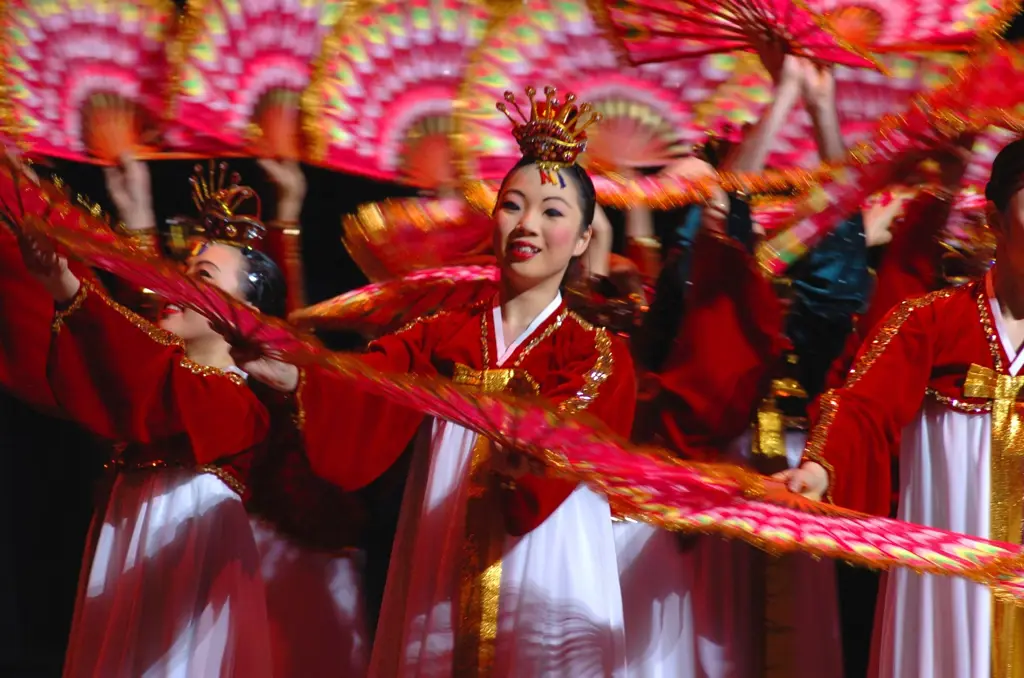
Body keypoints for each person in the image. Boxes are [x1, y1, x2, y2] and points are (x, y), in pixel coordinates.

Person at [240, 85, 638, 676]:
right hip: (442, 543)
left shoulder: (595, 349)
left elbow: (577, 425)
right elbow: (367, 379)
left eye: (553, 212)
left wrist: (538, 456)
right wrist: (299, 376)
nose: (527, 223)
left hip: (545, 555)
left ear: (583, 239)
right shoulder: (441, 332)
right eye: (512, 205)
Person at [13, 166, 288, 678]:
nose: (178, 284)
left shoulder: (235, 405)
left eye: (202, 277)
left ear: (249, 316)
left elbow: (141, 374)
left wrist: (70, 288)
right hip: (129, 530)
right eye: (182, 270)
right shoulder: (165, 375)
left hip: (185, 545)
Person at [780, 136, 1024, 678]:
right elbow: (864, 404)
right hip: (951, 560)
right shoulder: (928, 323)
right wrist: (820, 467)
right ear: (996, 219)